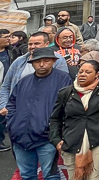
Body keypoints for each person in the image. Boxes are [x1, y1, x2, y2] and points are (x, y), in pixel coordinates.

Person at [50, 60, 99, 180]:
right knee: (75, 177)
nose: (83, 74)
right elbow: (54, 118)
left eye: (88, 72)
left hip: (97, 139)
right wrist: (56, 139)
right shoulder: (66, 93)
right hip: (71, 140)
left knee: (95, 177)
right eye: (81, 72)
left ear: (97, 74)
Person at [6, 47, 71, 179]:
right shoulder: (24, 81)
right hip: (20, 137)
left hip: (47, 138)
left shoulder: (63, 79)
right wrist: (13, 124)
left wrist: (55, 130)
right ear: (32, 62)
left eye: (46, 61)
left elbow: (68, 107)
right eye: (37, 61)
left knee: (51, 175)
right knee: (27, 175)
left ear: (53, 61)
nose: (41, 64)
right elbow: (11, 103)